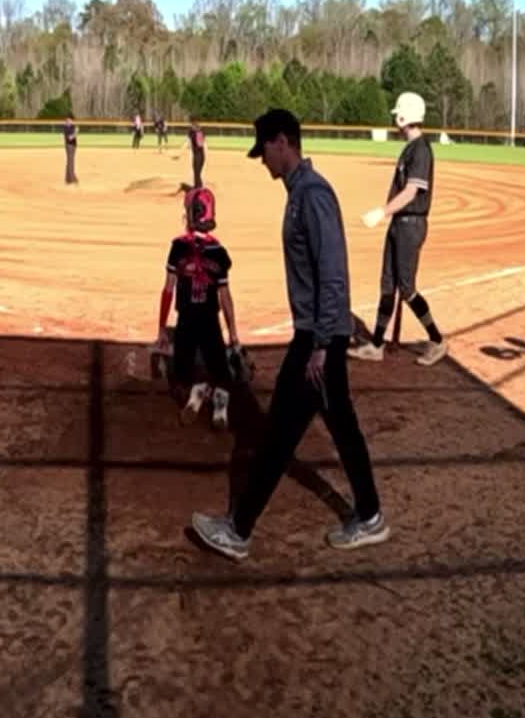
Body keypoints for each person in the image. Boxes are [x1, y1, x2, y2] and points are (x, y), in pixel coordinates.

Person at [190, 108, 389, 560]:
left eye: (265, 151)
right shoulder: (299, 193)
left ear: (283, 142)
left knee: (278, 434)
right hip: (322, 335)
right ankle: (371, 515)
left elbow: (333, 273)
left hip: (318, 338)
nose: (263, 161)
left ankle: (239, 530)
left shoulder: (313, 195)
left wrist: (320, 345)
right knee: (338, 427)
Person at [350, 91, 448, 366]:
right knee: (387, 285)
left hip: (411, 224)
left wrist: (382, 212)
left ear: (406, 116)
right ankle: (377, 345)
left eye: (398, 114)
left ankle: (437, 340)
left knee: (406, 288)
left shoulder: (420, 150)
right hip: (399, 224)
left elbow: (411, 191)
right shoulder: (409, 148)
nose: (395, 118)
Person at [157, 186, 241, 430]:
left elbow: (168, 290)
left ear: (193, 215)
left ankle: (196, 390)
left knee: (179, 377)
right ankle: (219, 404)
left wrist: (162, 328)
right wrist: (233, 334)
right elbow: (225, 297)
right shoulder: (220, 253)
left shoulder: (178, 247)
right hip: (209, 323)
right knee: (224, 373)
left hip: (185, 322)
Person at [185, 115, 208, 188]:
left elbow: (188, 142)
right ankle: (198, 187)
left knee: (196, 174)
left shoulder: (192, 130)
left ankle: (199, 189)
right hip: (202, 155)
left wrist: (179, 153)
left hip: (197, 155)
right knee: (197, 174)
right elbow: (202, 143)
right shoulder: (201, 129)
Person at [63, 114, 80, 185]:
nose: (69, 121)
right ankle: (72, 178)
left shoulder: (73, 126)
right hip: (69, 146)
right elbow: (70, 138)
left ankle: (68, 179)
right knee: (70, 162)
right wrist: (76, 132)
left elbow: (74, 136)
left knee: (70, 162)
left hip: (73, 146)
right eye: (68, 120)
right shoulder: (66, 128)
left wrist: (76, 132)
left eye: (70, 120)